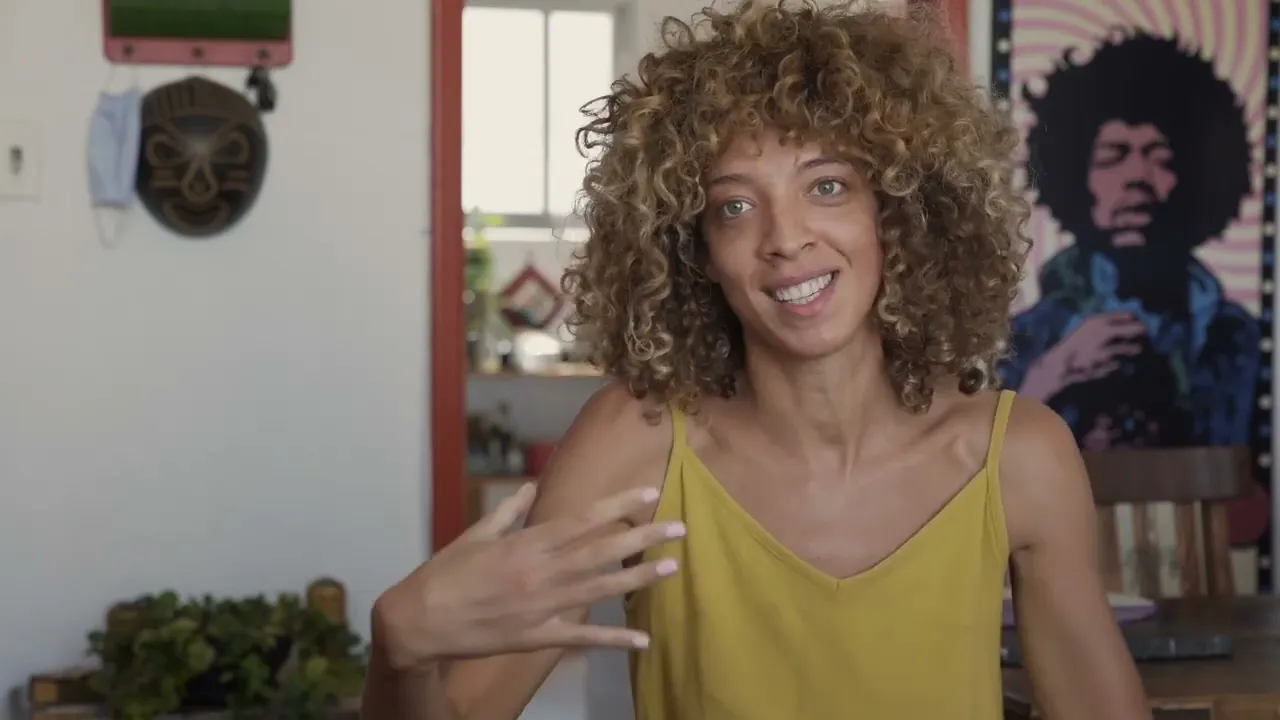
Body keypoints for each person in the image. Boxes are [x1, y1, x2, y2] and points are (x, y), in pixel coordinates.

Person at [365, 3, 1148, 719]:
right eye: (734, 206)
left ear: (898, 213)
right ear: (696, 250)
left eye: (828, 186)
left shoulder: (1018, 458)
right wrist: (401, 651)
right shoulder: (637, 445)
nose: (785, 238)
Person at [1001, 31, 1260, 451]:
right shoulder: (1028, 337)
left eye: (1161, 157)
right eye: (1113, 156)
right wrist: (1050, 376)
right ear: (1075, 176)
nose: (1137, 177)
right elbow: (987, 464)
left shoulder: (1240, 339)